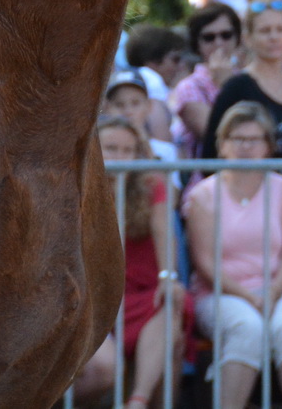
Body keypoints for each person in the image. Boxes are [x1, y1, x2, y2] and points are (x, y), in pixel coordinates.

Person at [183, 103, 282, 409]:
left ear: (268, 146)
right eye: (237, 139)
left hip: (278, 285)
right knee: (247, 328)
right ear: (222, 144)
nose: (245, 147)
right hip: (220, 291)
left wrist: (273, 292)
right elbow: (205, 263)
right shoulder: (202, 195)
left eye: (254, 140)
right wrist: (250, 297)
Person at [91, 118, 183, 409]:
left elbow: (163, 229)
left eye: (128, 150)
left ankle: (137, 401)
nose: (120, 158)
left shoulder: (149, 184)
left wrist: (168, 276)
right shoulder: (75, 187)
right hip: (93, 298)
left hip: (139, 292)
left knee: (172, 304)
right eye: (111, 148)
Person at [201, 1, 282, 166]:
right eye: (265, 31)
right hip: (253, 189)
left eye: (281, 29)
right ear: (248, 38)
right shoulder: (237, 87)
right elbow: (211, 152)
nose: (274, 37)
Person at [170, 4, 242, 158]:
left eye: (226, 35)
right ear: (197, 44)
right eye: (209, 38)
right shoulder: (189, 86)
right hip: (207, 177)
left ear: (237, 38)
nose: (219, 43)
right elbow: (216, 137)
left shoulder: (248, 78)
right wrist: (226, 87)